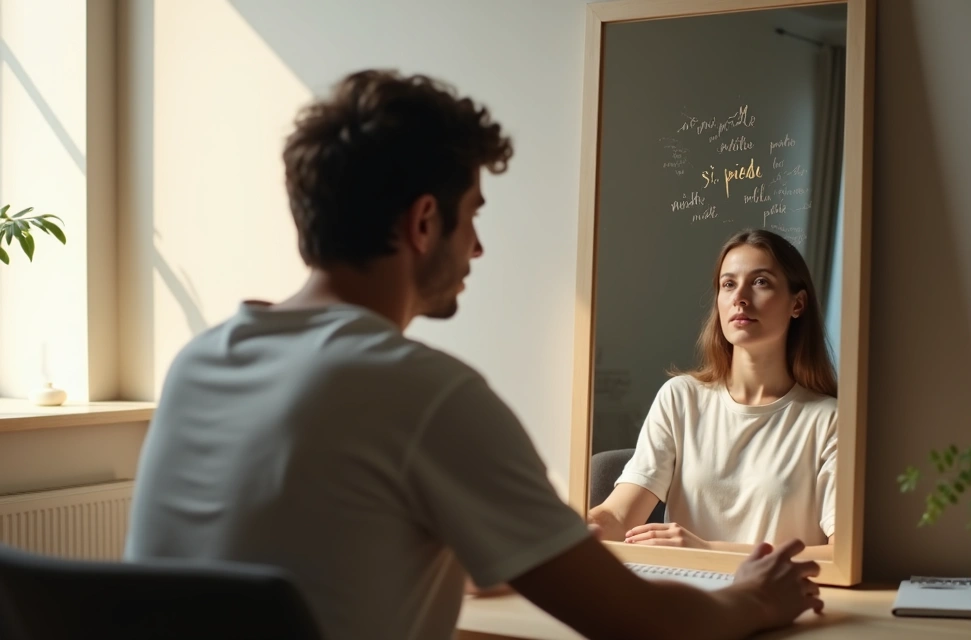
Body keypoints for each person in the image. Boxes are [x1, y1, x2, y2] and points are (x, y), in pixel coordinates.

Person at [123, 70, 824, 640]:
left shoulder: (200, 362)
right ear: (426, 222)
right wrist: (755, 600)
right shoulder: (423, 395)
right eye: (474, 215)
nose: (479, 247)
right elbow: (642, 623)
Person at [588, 229, 839, 560]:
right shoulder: (681, 399)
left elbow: (840, 555)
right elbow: (619, 515)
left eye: (760, 282)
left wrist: (706, 551)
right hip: (686, 594)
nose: (740, 298)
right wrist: (580, 525)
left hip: (776, 597)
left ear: (798, 303)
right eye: (729, 284)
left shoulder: (828, 419)